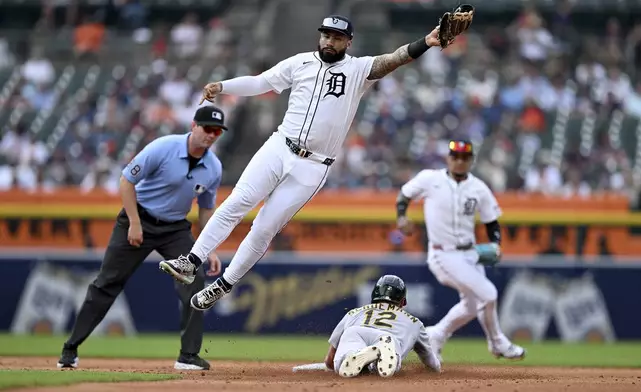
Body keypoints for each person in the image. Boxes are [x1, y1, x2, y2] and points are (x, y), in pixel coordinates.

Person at [159, 14, 448, 311]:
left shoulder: (358, 69)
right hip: (280, 146)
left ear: (349, 42)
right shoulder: (299, 62)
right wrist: (223, 86)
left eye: (337, 37)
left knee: (264, 229)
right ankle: (191, 262)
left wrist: (426, 42)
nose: (329, 41)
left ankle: (223, 285)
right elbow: (261, 82)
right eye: (326, 35)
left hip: (314, 166)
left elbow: (394, 59)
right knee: (235, 203)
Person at [57, 105, 227, 370]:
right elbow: (126, 181)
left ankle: (188, 356)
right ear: (193, 125)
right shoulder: (163, 148)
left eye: (217, 131)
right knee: (107, 283)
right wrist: (134, 222)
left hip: (174, 229)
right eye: (207, 128)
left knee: (195, 281)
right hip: (139, 218)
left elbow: (206, 208)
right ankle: (70, 348)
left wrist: (210, 247)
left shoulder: (213, 167)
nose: (212, 135)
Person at [395, 139, 526, 361]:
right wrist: (401, 217)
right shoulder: (430, 179)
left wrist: (495, 244)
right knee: (489, 293)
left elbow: (491, 221)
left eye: (464, 157)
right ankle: (497, 342)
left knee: (472, 305)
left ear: (471, 160)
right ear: (448, 158)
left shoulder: (478, 188)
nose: (459, 161)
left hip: (471, 253)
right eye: (455, 156)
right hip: (443, 253)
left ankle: (435, 335)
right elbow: (404, 194)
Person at [324, 275, 442, 378]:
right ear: (403, 302)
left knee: (341, 363)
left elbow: (329, 361)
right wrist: (436, 367)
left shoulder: (353, 313)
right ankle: (378, 355)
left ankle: (353, 355)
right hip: (389, 338)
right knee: (386, 366)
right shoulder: (415, 322)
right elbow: (432, 364)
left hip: (355, 332)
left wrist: (334, 362)